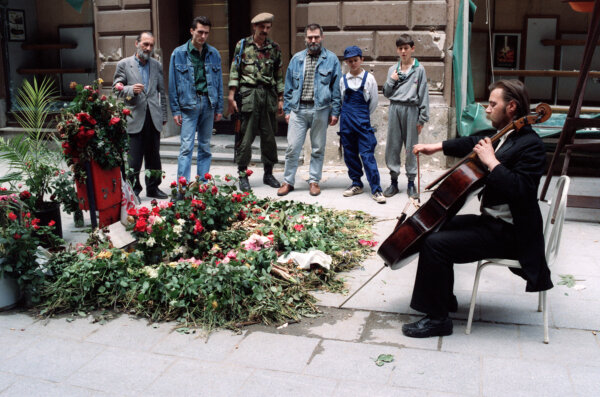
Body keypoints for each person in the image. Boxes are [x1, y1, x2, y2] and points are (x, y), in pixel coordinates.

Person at [402, 79, 552, 338]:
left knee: (435, 244)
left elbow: (522, 190)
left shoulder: (532, 146)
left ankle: (438, 320)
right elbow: (474, 142)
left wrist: (492, 163)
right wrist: (436, 147)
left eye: (493, 104)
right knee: (438, 226)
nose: (487, 109)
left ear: (512, 107)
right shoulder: (508, 134)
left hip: (512, 235)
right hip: (493, 224)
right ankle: (443, 300)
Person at [278, 23, 341, 197]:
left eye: (316, 37)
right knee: (292, 147)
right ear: (305, 39)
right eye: (310, 37)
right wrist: (288, 110)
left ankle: (314, 181)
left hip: (320, 110)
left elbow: (336, 88)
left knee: (318, 148)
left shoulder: (332, 59)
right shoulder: (297, 59)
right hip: (298, 110)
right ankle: (288, 181)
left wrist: (335, 111)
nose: (313, 40)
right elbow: (288, 86)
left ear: (322, 38)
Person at [227, 12, 284, 192]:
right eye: (262, 27)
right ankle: (243, 176)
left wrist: (281, 99)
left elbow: (279, 75)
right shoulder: (242, 45)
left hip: (267, 95)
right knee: (245, 136)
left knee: (269, 137)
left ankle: (268, 174)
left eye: (268, 28)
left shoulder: (274, 48)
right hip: (248, 94)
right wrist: (231, 95)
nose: (265, 31)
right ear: (255, 27)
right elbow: (235, 70)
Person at [113, 31, 168, 199]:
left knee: (154, 157)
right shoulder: (124, 64)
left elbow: (161, 92)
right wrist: (130, 90)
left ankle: (153, 188)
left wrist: (164, 115)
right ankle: (134, 190)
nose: (148, 48)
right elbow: (116, 88)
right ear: (136, 44)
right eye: (145, 44)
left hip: (153, 117)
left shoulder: (156, 65)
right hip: (134, 117)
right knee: (134, 160)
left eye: (151, 45)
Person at [169, 16, 223, 185]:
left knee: (205, 147)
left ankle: (203, 186)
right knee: (186, 148)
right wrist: (175, 110)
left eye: (206, 33)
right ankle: (183, 188)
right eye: (200, 32)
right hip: (188, 106)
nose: (203, 36)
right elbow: (172, 84)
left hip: (208, 104)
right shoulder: (178, 54)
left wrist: (219, 107)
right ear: (191, 31)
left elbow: (219, 82)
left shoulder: (214, 54)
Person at [382, 34, 429, 198]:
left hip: (411, 109)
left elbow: (423, 94)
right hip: (395, 108)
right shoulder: (392, 70)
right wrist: (391, 80)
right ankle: (394, 182)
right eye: (400, 48)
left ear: (412, 49)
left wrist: (422, 118)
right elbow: (386, 93)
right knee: (393, 146)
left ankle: (410, 183)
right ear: (397, 50)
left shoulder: (419, 69)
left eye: (406, 48)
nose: (403, 51)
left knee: (411, 147)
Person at [338, 45, 385, 204]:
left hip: (363, 123)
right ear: (346, 62)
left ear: (361, 60)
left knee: (367, 155)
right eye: (349, 61)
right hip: (347, 124)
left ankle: (376, 189)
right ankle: (356, 183)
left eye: (355, 60)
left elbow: (373, 102)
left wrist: (362, 116)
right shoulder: (343, 80)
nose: (353, 63)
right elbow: (342, 100)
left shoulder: (369, 79)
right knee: (350, 154)